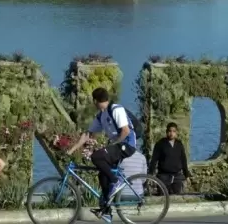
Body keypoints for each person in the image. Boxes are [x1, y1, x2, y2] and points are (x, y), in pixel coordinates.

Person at [67, 88, 137, 221]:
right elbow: (88, 134)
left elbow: (126, 131)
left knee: (96, 156)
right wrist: (72, 149)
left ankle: (116, 181)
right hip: (118, 145)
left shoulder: (116, 109)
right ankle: (106, 211)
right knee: (102, 175)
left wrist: (113, 143)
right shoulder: (101, 116)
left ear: (95, 101)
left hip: (127, 145)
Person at [148, 122, 190, 194]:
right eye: (170, 131)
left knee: (176, 198)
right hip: (163, 176)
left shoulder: (179, 144)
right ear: (166, 132)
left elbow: (183, 160)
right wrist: (150, 174)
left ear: (176, 132)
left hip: (177, 176)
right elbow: (154, 160)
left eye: (174, 131)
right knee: (163, 197)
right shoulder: (160, 144)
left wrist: (187, 175)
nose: (171, 133)